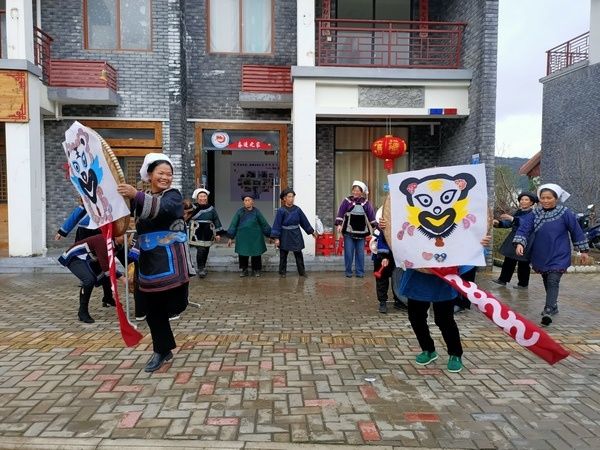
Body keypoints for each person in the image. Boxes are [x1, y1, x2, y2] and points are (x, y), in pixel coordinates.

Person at [117, 153, 191, 373]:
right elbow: (123, 218)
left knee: (177, 305)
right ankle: (162, 349)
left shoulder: (173, 196)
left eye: (169, 174)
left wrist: (136, 195)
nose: (166, 177)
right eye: (161, 173)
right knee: (152, 310)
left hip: (172, 260)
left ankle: (163, 344)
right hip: (148, 262)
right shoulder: (141, 199)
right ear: (150, 175)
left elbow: (164, 209)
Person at [398, 236, 492, 373]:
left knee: (444, 320)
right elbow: (397, 235)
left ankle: (455, 354)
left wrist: (478, 244)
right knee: (416, 318)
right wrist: (387, 227)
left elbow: (467, 236)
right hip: (418, 277)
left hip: (444, 278)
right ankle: (428, 349)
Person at [514, 183, 589, 326]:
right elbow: (524, 229)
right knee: (546, 277)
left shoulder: (565, 213)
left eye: (549, 198)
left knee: (553, 280)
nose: (545, 201)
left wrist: (583, 251)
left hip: (559, 253)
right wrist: (520, 243)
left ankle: (548, 309)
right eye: (543, 198)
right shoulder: (534, 213)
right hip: (540, 253)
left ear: (556, 198)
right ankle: (553, 305)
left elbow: (576, 231)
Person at [58, 234, 123, 324]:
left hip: (89, 259)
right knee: (89, 280)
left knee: (105, 275)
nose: (128, 239)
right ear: (116, 236)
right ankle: (82, 312)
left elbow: (124, 260)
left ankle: (107, 298)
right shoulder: (104, 241)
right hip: (76, 257)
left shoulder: (119, 245)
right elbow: (106, 266)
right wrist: (122, 278)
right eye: (125, 236)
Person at [491, 192, 538, 289]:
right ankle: (503, 279)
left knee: (523, 262)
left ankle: (523, 284)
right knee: (509, 259)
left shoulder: (534, 214)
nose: (523, 201)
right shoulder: (518, 211)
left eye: (526, 200)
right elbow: (510, 223)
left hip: (526, 239)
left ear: (531, 202)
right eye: (521, 199)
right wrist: (498, 223)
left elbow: (525, 223)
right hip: (513, 237)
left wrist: (512, 218)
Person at [335, 180, 378, 278]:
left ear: (361, 192)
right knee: (349, 253)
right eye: (354, 190)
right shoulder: (347, 201)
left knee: (360, 254)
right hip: (349, 231)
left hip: (361, 232)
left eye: (358, 190)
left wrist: (376, 228)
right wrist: (339, 224)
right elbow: (341, 213)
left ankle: (360, 272)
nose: (355, 192)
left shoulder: (366, 203)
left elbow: (371, 216)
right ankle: (348, 272)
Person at [271, 188, 317, 278]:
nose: (291, 198)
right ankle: (282, 272)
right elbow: (277, 224)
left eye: (292, 197)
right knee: (283, 254)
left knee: (298, 253)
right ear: (284, 198)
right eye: (289, 197)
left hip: (296, 233)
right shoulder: (281, 210)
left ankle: (302, 272)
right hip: (285, 234)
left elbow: (304, 221)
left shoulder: (297, 210)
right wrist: (276, 238)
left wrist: (311, 231)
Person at [227, 194, 272, 277]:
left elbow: (264, 224)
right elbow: (233, 224)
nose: (247, 202)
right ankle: (244, 270)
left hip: (256, 237)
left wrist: (270, 235)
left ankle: (256, 270)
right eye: (245, 200)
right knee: (243, 254)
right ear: (243, 202)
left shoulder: (257, 212)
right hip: (243, 237)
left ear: (252, 202)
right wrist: (230, 237)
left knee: (256, 254)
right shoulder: (240, 212)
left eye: (249, 200)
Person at [186, 187, 224, 278]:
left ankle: (203, 266)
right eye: (201, 196)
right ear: (197, 198)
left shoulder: (211, 208)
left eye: (204, 196)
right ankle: (200, 268)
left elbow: (216, 220)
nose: (203, 198)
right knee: (201, 249)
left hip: (208, 232)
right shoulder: (192, 208)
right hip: (196, 231)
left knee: (206, 249)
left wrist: (218, 234)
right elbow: (185, 218)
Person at [372, 214, 406, 314]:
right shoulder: (383, 219)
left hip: (397, 254)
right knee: (382, 279)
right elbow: (381, 238)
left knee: (398, 277)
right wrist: (384, 256)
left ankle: (398, 299)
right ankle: (382, 302)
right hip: (382, 252)